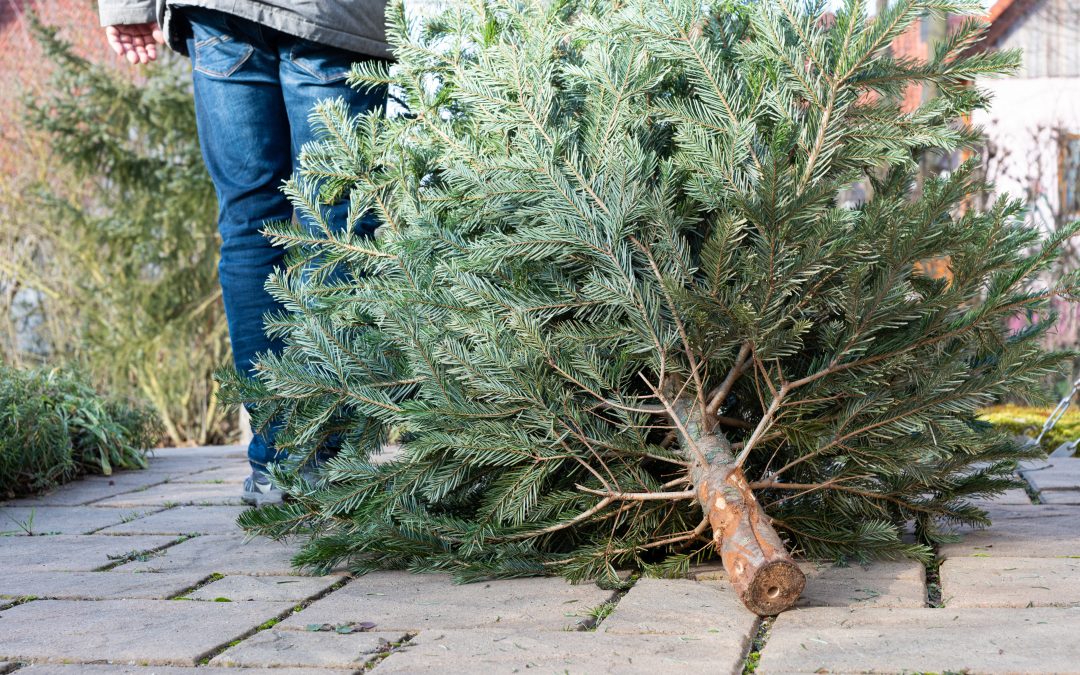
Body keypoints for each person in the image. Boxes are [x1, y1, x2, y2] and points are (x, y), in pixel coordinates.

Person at [98, 0, 390, 505]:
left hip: (222, 13)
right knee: (339, 223)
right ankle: (331, 459)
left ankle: (280, 460)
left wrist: (126, 5)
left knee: (250, 225)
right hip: (334, 17)